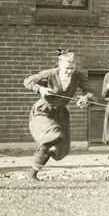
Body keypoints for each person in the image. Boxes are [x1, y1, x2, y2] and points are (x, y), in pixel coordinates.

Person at [23, 50, 94, 180]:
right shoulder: (49, 74)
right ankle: (32, 174)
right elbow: (28, 82)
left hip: (60, 113)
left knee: (59, 146)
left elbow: (90, 91)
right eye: (67, 68)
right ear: (60, 65)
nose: (69, 71)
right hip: (43, 110)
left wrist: (85, 98)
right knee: (54, 135)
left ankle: (33, 173)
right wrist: (40, 89)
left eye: (72, 68)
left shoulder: (78, 76)